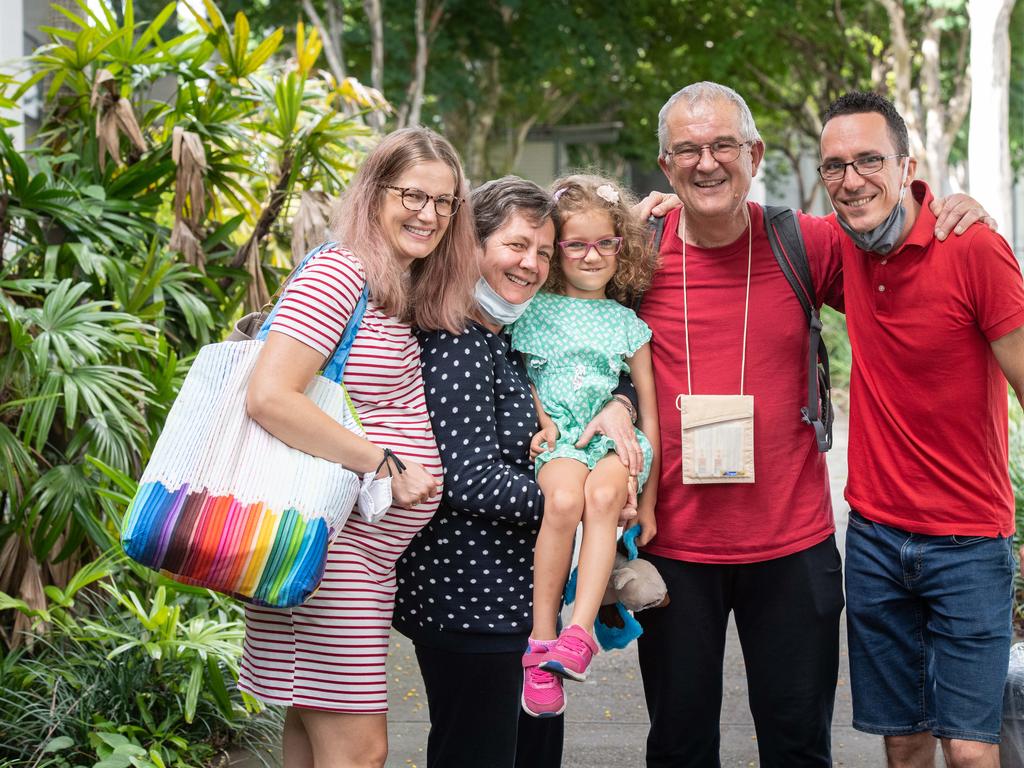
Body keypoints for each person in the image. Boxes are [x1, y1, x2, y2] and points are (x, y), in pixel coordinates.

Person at [633, 81, 992, 768]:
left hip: (791, 548)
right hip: (674, 546)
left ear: (755, 153)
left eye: (723, 146)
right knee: (678, 747)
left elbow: (900, 237)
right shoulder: (636, 253)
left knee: (799, 748)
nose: (707, 163)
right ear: (666, 164)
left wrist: (947, 204)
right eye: (687, 150)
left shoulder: (807, 243)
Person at [237, 127, 477, 768]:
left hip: (356, 559)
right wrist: (385, 462)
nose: (428, 215)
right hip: (325, 551)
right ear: (375, 193)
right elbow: (270, 396)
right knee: (360, 752)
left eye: (444, 203)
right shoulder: (340, 271)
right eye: (413, 196)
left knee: (310, 741)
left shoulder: (393, 282)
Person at [393, 176, 642, 768]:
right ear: (471, 245)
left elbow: (591, 380)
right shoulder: (454, 339)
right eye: (515, 246)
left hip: (518, 606)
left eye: (543, 251)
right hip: (469, 599)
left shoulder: (502, 335)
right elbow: (469, 478)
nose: (531, 264)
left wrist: (621, 403)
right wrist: (578, 498)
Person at [818, 91, 1024, 768]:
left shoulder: (974, 249)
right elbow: (731, 224)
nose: (852, 180)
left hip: (968, 543)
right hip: (876, 540)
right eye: (836, 166)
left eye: (869, 160)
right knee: (903, 743)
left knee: (969, 749)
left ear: (907, 165)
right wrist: (652, 210)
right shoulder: (837, 248)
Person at [510, 174, 659, 718]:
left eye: (605, 243)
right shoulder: (530, 311)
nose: (592, 255)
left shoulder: (629, 325)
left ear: (623, 247)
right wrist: (539, 415)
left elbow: (650, 407)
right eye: (576, 244)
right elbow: (515, 375)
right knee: (566, 501)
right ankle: (541, 638)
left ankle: (578, 633)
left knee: (601, 502)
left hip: (616, 445)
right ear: (557, 248)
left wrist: (648, 503)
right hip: (561, 438)